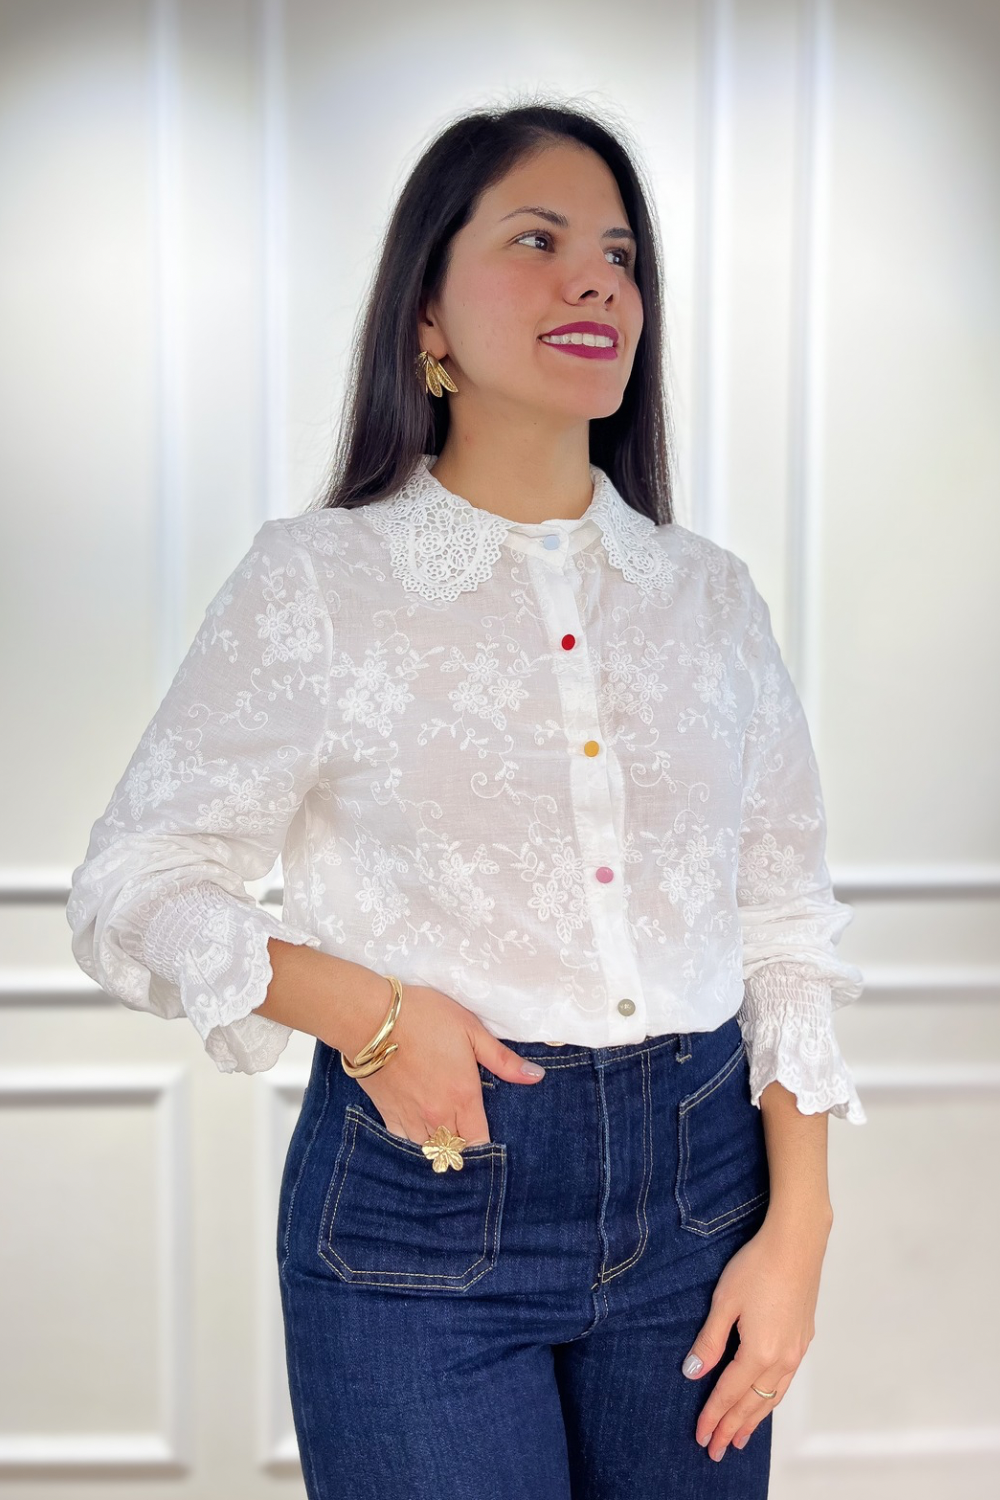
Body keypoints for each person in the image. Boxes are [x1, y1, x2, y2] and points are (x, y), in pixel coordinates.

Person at [66, 100, 867, 1500]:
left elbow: (785, 928)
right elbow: (133, 883)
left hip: (704, 1206)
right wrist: (366, 1014)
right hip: (422, 1205)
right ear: (426, 312)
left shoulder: (711, 600)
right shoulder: (319, 584)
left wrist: (798, 1232)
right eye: (538, 241)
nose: (596, 281)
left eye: (619, 254)